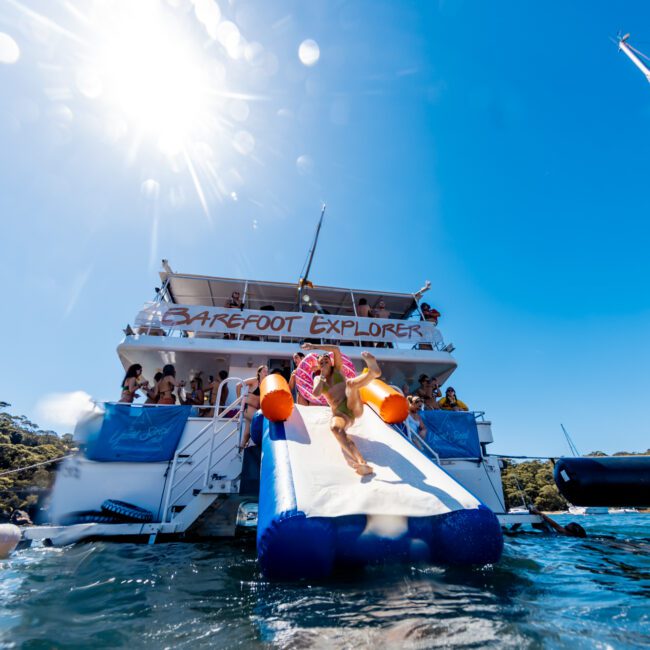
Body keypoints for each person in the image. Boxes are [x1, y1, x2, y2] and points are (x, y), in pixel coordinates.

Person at [301, 342, 380, 476]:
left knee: (350, 384)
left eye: (327, 360)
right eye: (322, 361)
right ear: (319, 365)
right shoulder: (318, 378)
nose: (325, 362)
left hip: (353, 406)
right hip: (342, 415)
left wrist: (314, 346)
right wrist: (321, 377)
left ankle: (373, 373)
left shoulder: (337, 369)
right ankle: (362, 463)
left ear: (331, 363)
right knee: (335, 428)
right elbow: (315, 393)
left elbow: (336, 349)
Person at [237, 365, 268, 449]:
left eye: (267, 371)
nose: (266, 373)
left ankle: (241, 449)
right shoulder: (254, 381)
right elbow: (238, 385)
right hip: (247, 407)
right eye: (264, 371)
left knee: (247, 433)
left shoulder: (265, 384)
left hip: (255, 409)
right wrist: (239, 400)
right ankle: (261, 445)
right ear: (259, 372)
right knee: (262, 421)